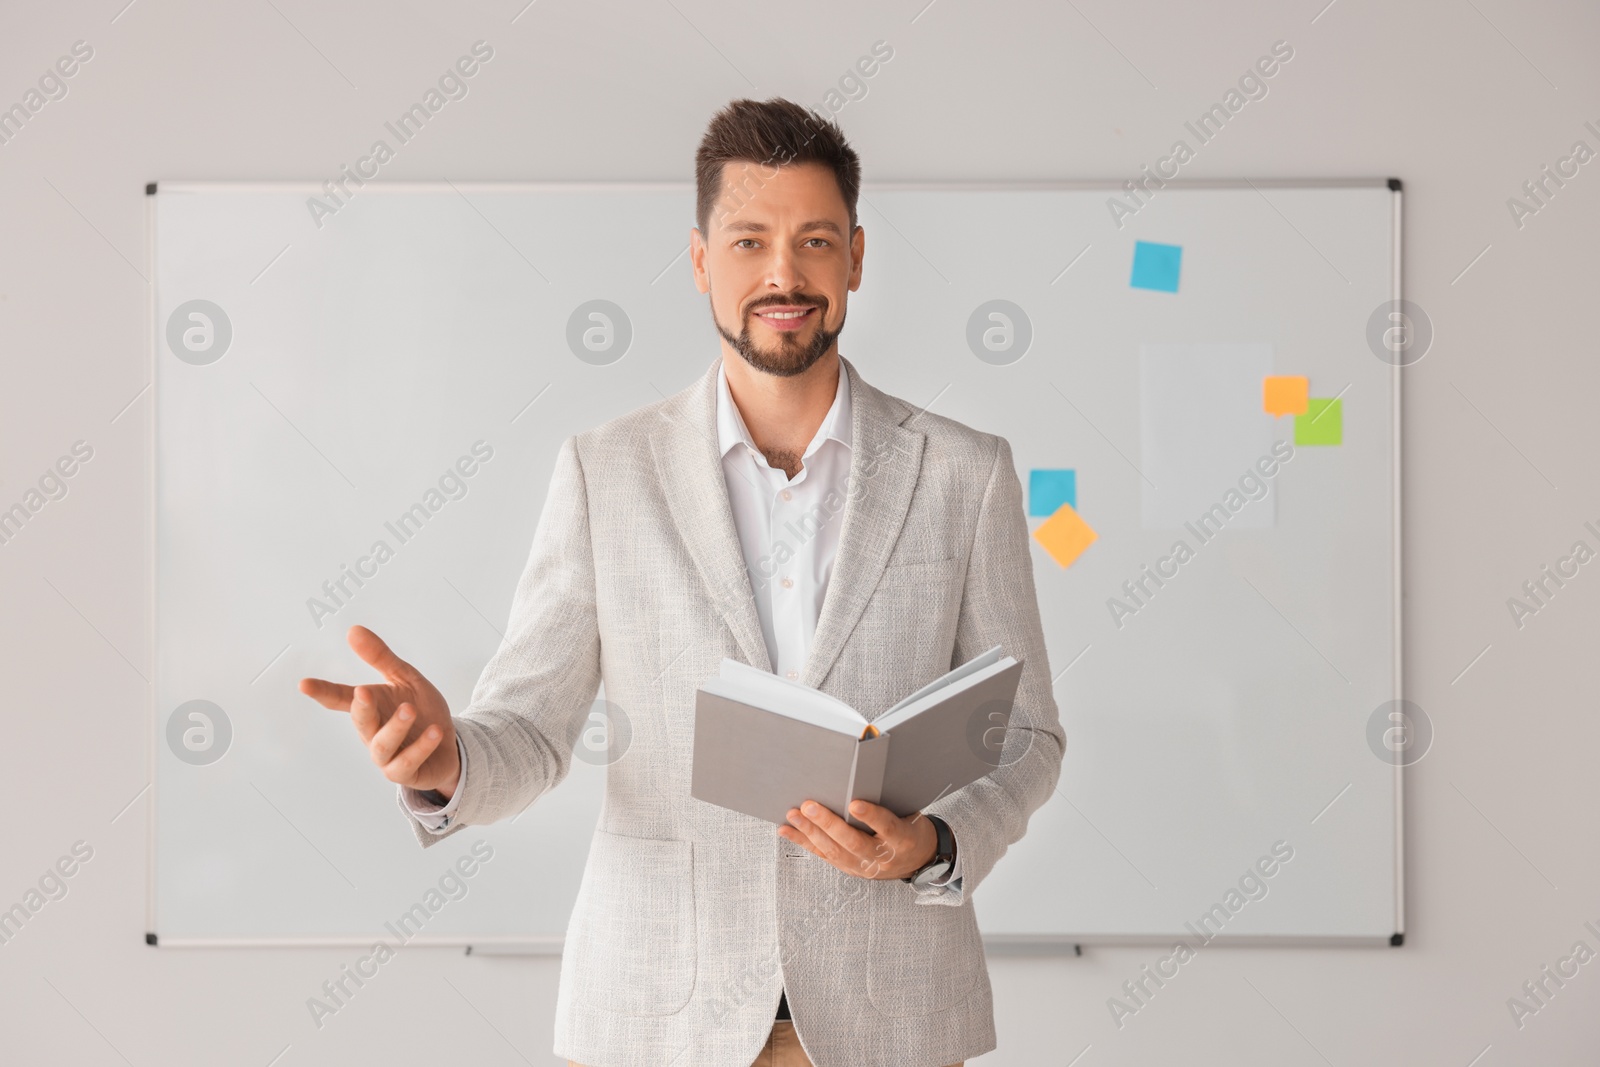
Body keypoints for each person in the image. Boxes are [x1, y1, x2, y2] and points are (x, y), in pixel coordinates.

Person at [300, 97, 1063, 1067]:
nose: (782, 273)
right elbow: (529, 730)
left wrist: (935, 843)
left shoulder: (965, 471)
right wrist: (444, 759)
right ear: (703, 260)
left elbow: (1027, 733)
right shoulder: (605, 470)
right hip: (655, 1017)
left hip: (891, 1017)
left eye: (814, 240)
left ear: (857, 258)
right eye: (749, 241)